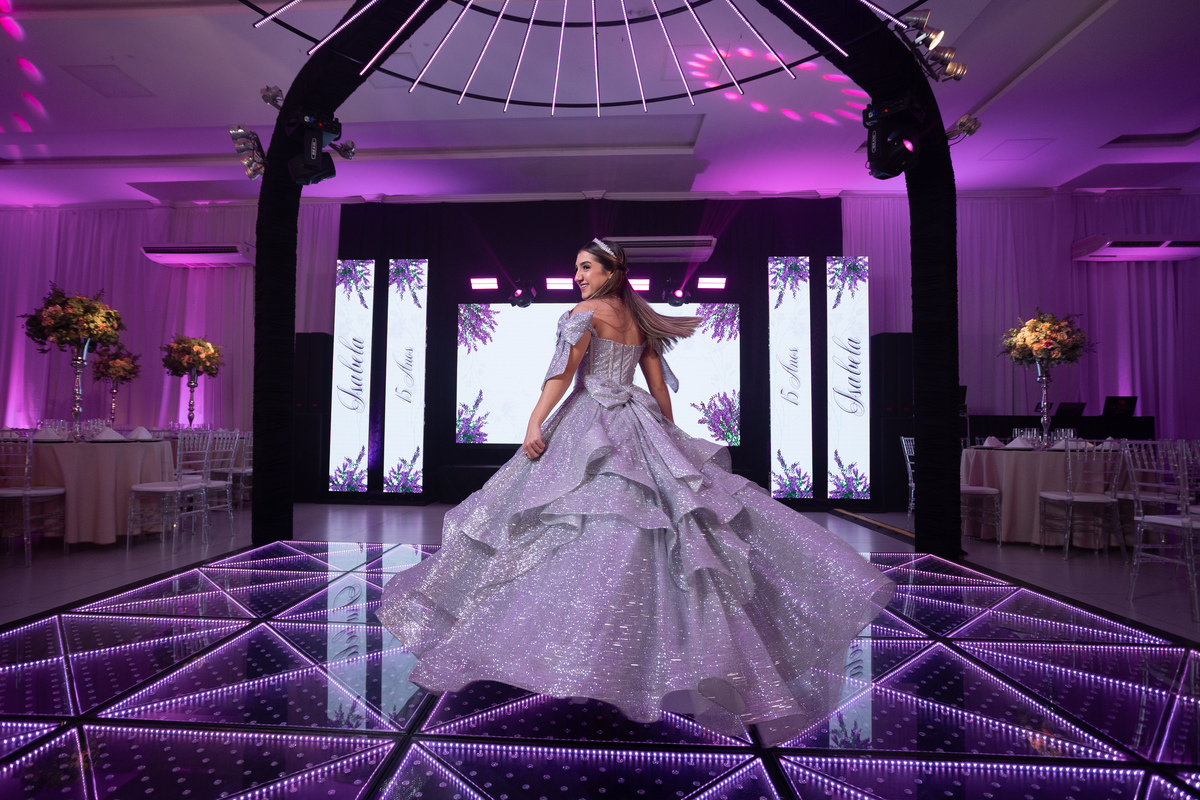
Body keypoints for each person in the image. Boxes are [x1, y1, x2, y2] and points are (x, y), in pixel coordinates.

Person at [376, 238, 894, 745]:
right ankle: (631, 658)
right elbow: (657, 387)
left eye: (585, 267)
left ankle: (581, 656)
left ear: (609, 272)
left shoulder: (583, 314)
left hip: (590, 422)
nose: (577, 276)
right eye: (576, 268)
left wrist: (534, 422)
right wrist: (668, 437)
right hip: (636, 420)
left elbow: (562, 375)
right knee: (640, 536)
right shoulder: (638, 319)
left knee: (574, 528)